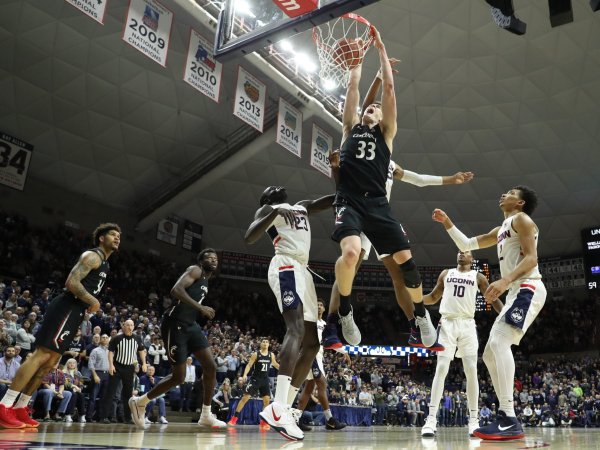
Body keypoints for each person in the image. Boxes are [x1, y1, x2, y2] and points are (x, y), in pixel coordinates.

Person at [323, 29, 440, 354]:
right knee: (349, 254)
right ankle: (345, 311)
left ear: (382, 116)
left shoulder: (387, 134)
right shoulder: (349, 129)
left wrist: (382, 50)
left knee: (407, 265)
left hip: (378, 205)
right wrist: (357, 62)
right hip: (349, 202)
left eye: (374, 109)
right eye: (367, 108)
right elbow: (353, 87)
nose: (369, 109)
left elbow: (388, 88)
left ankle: (420, 316)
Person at [432, 185, 547, 440]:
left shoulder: (522, 220)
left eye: (511, 193)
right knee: (489, 355)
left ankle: (508, 417)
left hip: (528, 286)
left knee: (498, 342)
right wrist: (448, 222)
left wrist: (504, 282)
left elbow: (531, 259)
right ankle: (507, 417)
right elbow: (467, 243)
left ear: (520, 203)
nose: (504, 194)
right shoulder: (501, 230)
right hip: (516, 291)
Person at [0, 223, 120, 429]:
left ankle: (21, 407)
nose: (117, 238)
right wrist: (93, 300)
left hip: (76, 312)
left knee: (51, 362)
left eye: (119, 236)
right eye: (112, 234)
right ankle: (5, 405)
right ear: (101, 238)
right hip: (66, 307)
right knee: (41, 356)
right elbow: (72, 282)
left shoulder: (106, 265)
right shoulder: (92, 256)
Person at [244, 186, 335, 441]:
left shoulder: (302, 205)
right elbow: (250, 236)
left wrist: (343, 174)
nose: (276, 186)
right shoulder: (269, 209)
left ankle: (283, 407)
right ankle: (278, 405)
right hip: (285, 264)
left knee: (313, 344)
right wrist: (273, 214)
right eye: (270, 189)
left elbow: (329, 199)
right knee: (294, 329)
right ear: (268, 199)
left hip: (303, 270)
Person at [129, 249, 226, 429]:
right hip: (175, 324)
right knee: (178, 377)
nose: (213, 260)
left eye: (216, 258)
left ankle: (206, 414)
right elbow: (176, 290)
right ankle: (140, 402)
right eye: (209, 257)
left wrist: (199, 310)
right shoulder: (196, 270)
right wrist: (201, 308)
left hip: (191, 325)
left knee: (211, 367)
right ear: (201, 260)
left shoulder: (206, 279)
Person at [420, 250, 496, 438]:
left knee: (471, 371)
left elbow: (492, 299)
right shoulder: (446, 273)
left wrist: (505, 315)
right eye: (460, 251)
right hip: (447, 323)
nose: (462, 253)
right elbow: (433, 297)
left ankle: (473, 420)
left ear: (472, 259)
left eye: (467, 251)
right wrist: (414, 301)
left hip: (468, 324)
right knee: (441, 368)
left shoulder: (478, 276)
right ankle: (430, 420)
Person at [293, 300, 347, 431]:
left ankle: (296, 419)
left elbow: (330, 342)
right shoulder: (308, 321)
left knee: (309, 387)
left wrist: (344, 352)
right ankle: (330, 420)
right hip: (310, 353)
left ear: (324, 309)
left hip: (319, 355)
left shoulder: (325, 324)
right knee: (322, 384)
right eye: (316, 304)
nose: (318, 306)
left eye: (321, 305)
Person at [98, 319, 147, 424]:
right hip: (117, 367)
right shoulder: (117, 338)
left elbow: (142, 351)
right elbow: (110, 352)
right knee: (110, 392)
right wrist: (111, 365)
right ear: (124, 326)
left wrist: (144, 363)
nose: (129, 327)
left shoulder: (138, 338)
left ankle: (127, 418)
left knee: (128, 394)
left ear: (134, 327)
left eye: (131, 325)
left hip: (129, 368)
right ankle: (104, 417)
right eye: (127, 325)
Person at [227, 338, 280, 429]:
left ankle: (263, 422)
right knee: (245, 398)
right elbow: (249, 365)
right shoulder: (256, 354)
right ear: (261, 344)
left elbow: (275, 364)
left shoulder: (271, 355)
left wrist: (286, 372)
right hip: (255, 379)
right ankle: (234, 418)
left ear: (268, 344)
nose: (265, 343)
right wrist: (245, 374)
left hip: (264, 380)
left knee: (266, 401)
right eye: (263, 342)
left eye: (267, 342)